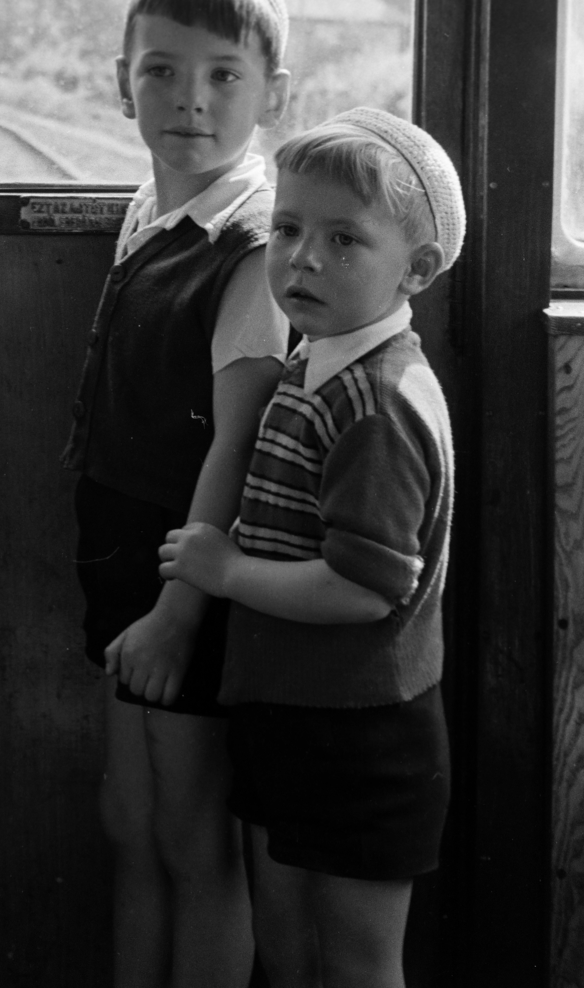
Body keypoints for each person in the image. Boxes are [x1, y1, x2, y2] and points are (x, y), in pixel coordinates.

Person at [159, 107, 466, 988]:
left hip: (361, 735)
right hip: (293, 712)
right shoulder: (319, 359)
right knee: (286, 950)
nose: (302, 258)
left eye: (343, 240)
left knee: (360, 965)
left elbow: (366, 591)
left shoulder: (378, 403)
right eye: (287, 229)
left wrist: (226, 570)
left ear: (417, 270)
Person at [62, 0, 291, 988]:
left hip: (185, 580)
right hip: (127, 561)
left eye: (222, 76)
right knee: (130, 822)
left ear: (270, 96)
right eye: (159, 70)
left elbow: (236, 445)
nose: (187, 100)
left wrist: (179, 611)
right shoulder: (154, 206)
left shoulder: (249, 246)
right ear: (122, 82)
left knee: (195, 839)